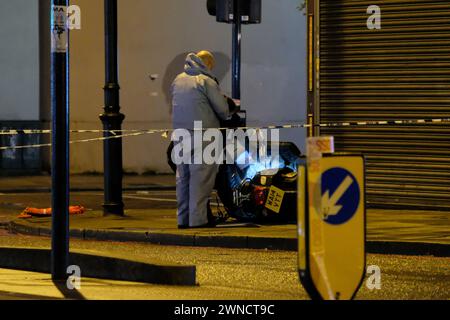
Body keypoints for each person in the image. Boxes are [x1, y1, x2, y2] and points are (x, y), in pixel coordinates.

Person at [171, 51, 238, 229]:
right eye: (212, 65)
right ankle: (198, 221)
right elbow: (223, 110)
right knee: (200, 180)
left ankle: (182, 220)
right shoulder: (206, 81)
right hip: (204, 136)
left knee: (183, 178)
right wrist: (230, 104)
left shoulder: (178, 80)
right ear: (206, 63)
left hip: (180, 134)